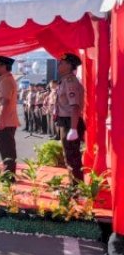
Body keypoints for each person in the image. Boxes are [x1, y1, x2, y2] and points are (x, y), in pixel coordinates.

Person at [54, 53, 85, 184]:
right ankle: (74, 185)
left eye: (62, 63)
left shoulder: (70, 82)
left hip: (70, 122)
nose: (59, 65)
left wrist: (73, 128)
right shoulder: (65, 81)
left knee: (73, 157)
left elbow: (74, 106)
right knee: (68, 156)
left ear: (69, 65)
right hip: (65, 121)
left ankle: (77, 188)